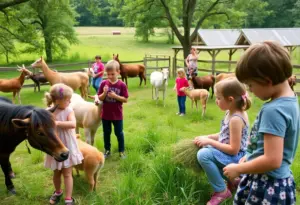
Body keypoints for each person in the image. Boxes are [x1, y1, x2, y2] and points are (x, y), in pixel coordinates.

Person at [223, 41, 299, 205]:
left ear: (267, 80)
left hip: (267, 184)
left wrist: (238, 169)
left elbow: (272, 160)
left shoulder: (274, 110)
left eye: (251, 85)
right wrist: (249, 158)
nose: (250, 91)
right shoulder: (290, 101)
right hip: (278, 180)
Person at [194, 77, 251, 205]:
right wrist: (208, 137)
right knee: (206, 152)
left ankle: (221, 191)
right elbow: (224, 134)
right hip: (230, 154)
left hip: (236, 157)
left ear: (230, 99)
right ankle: (233, 181)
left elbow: (233, 149)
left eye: (219, 98)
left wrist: (209, 142)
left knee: (203, 154)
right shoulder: (229, 112)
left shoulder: (236, 118)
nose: (216, 101)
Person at [44, 83, 83, 205]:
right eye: (67, 99)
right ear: (57, 100)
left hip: (67, 145)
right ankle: (58, 191)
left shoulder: (69, 110)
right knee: (56, 172)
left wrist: (58, 123)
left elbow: (73, 124)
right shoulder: (48, 111)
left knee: (67, 173)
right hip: (55, 146)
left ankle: (68, 198)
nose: (70, 101)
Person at [98, 60, 128, 159]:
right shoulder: (103, 83)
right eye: (108, 74)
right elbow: (100, 98)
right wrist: (104, 93)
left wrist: (115, 96)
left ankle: (121, 151)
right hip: (105, 115)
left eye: (112, 74)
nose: (110, 76)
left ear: (118, 72)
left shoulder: (122, 85)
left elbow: (125, 99)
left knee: (119, 133)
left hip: (117, 115)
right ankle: (107, 150)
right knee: (106, 133)